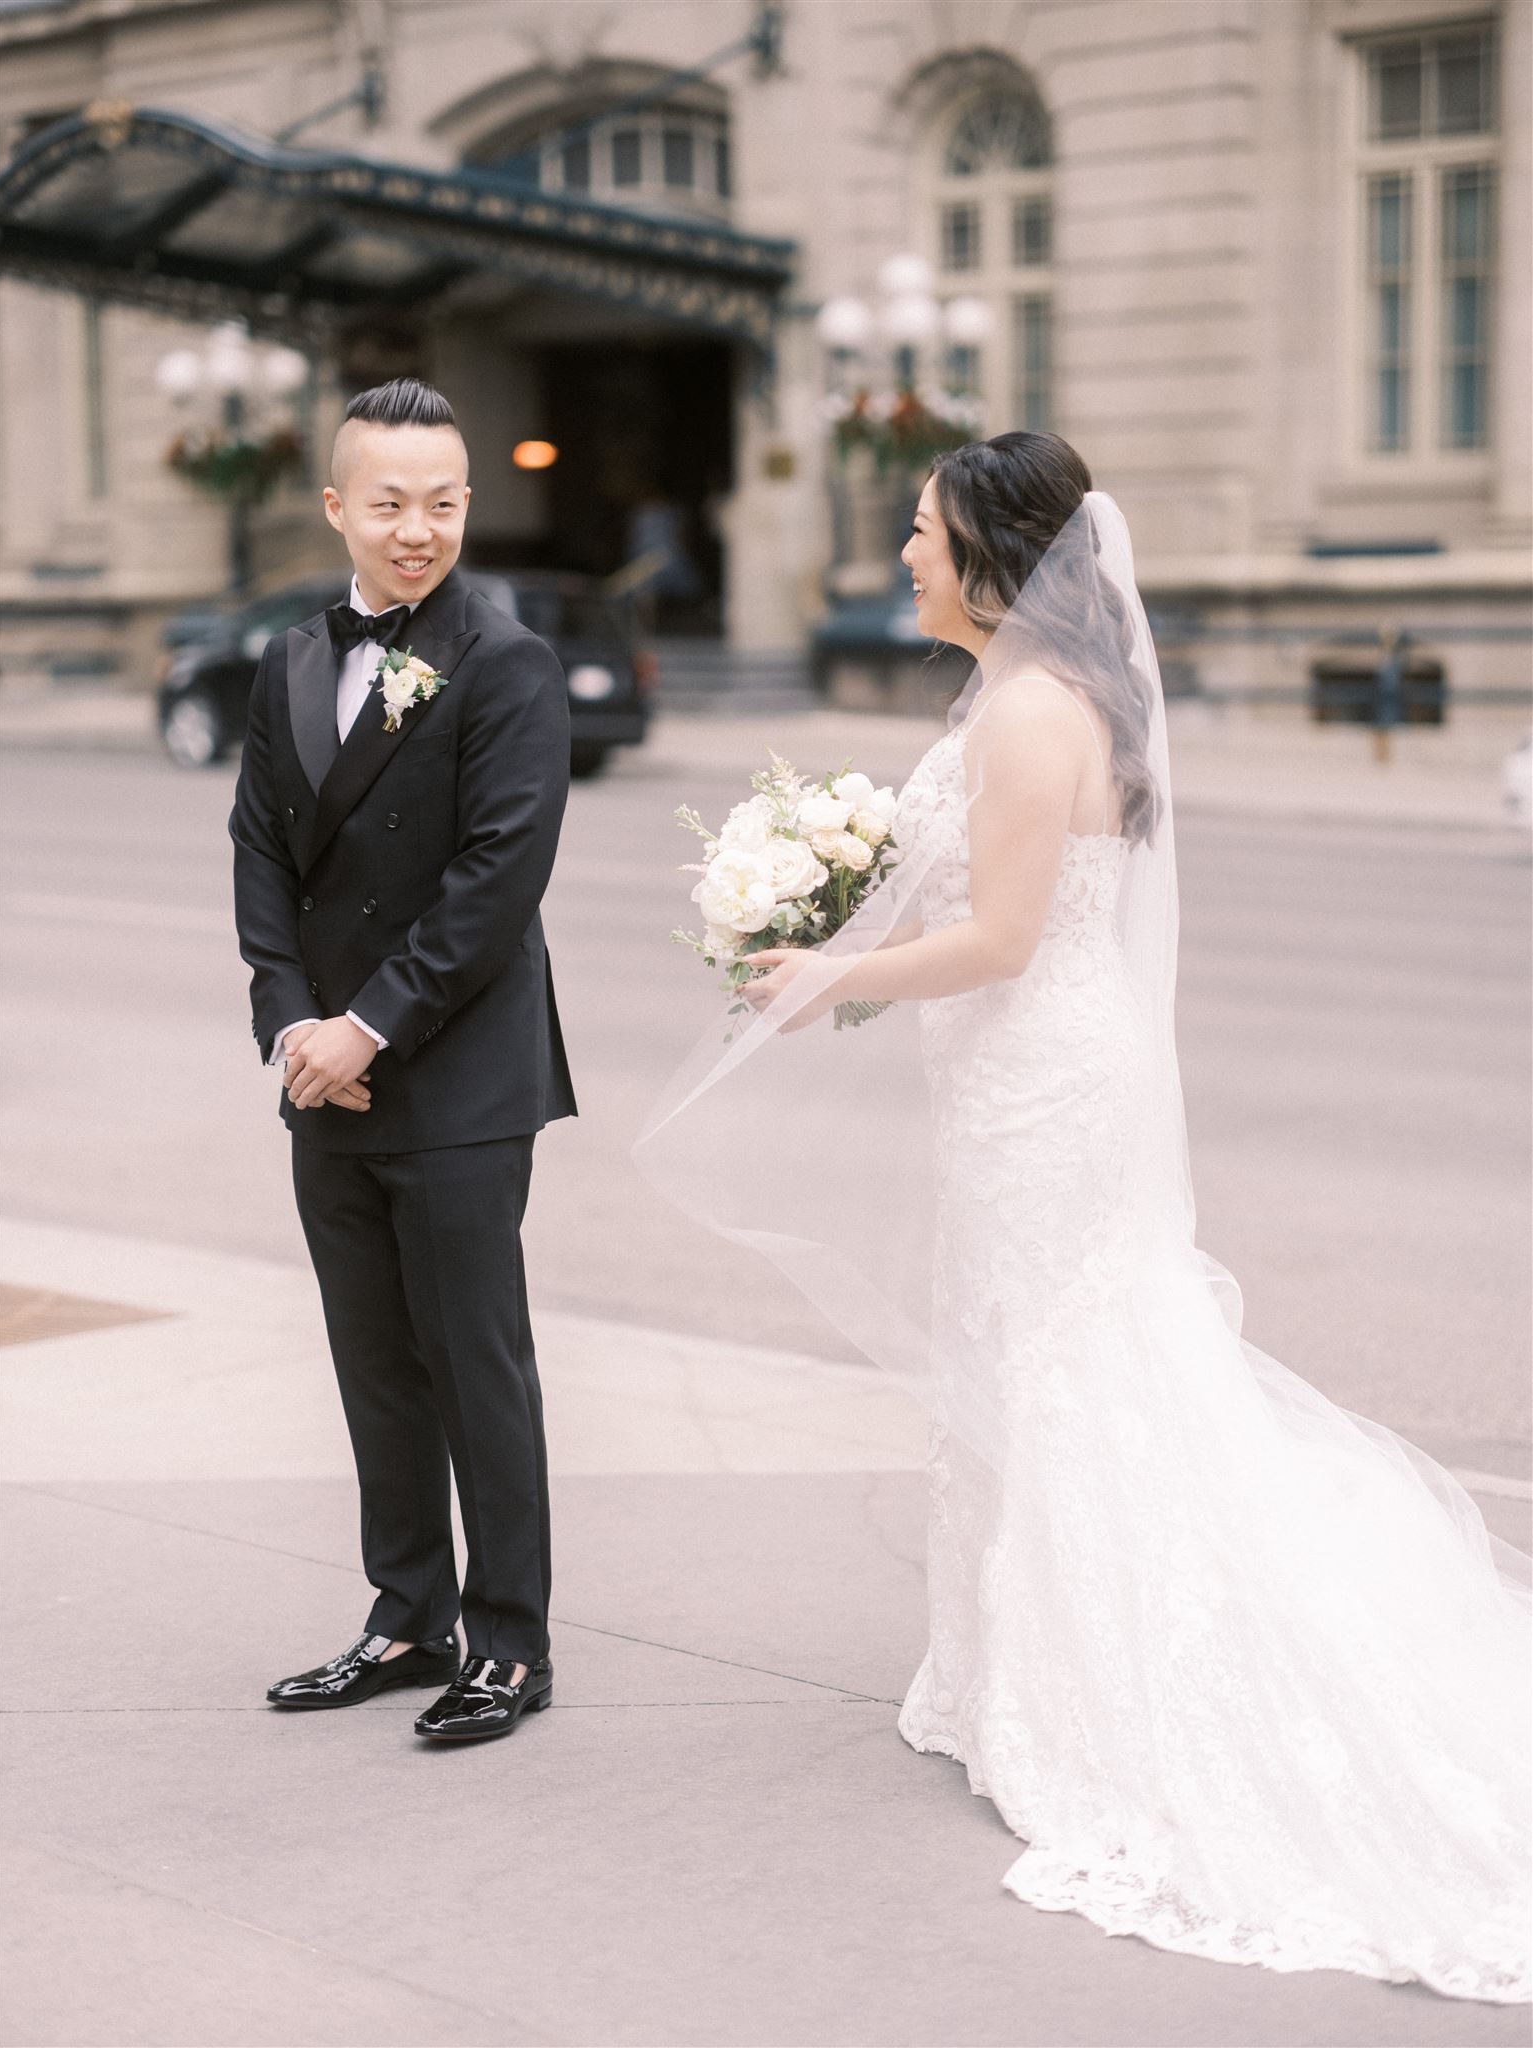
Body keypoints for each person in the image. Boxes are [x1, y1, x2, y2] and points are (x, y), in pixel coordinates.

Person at [636, 432, 1530, 1999]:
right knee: (1039, 1347)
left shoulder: (1031, 713)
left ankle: (1100, 1694)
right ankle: (1001, 1673)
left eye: (919, 533)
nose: (900, 557)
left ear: (994, 553)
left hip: (1042, 1086)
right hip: (1024, 1084)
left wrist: (829, 973)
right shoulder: (1031, 699)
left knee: (1073, 1364)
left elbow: (997, 939)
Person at [229, 376, 576, 1743]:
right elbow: (261, 846)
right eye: (389, 503)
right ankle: (404, 1616)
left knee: (472, 1357)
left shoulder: (507, 662)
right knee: (374, 1360)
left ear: (466, 505)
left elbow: (498, 877)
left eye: (443, 503)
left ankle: (508, 1642)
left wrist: (366, 1026)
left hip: (458, 1076)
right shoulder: (288, 661)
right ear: (338, 508)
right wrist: (290, 1023)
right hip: (324, 1071)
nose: (417, 528)